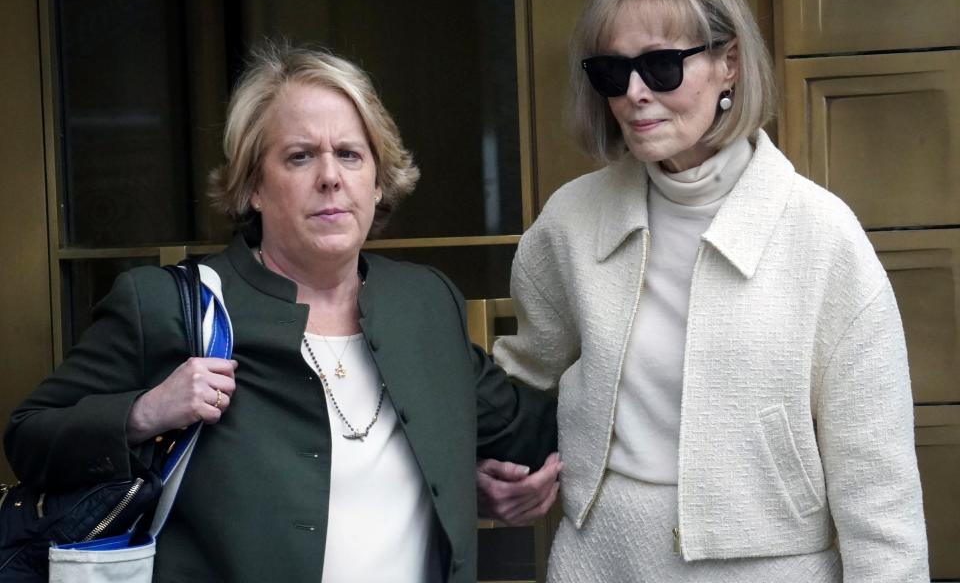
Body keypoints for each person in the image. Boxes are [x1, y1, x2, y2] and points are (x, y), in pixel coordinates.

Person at [4, 41, 559, 583]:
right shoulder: (165, 307)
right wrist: (144, 412)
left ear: (378, 178)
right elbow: (28, 439)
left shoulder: (423, 302)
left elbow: (522, 428)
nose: (330, 177)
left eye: (350, 153)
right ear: (252, 187)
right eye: (299, 156)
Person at [481, 0, 929, 583]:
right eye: (612, 72)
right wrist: (492, 472)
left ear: (730, 64)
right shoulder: (571, 222)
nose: (634, 94)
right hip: (600, 563)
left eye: (662, 66)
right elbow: (525, 386)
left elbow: (878, 485)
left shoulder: (821, 237)